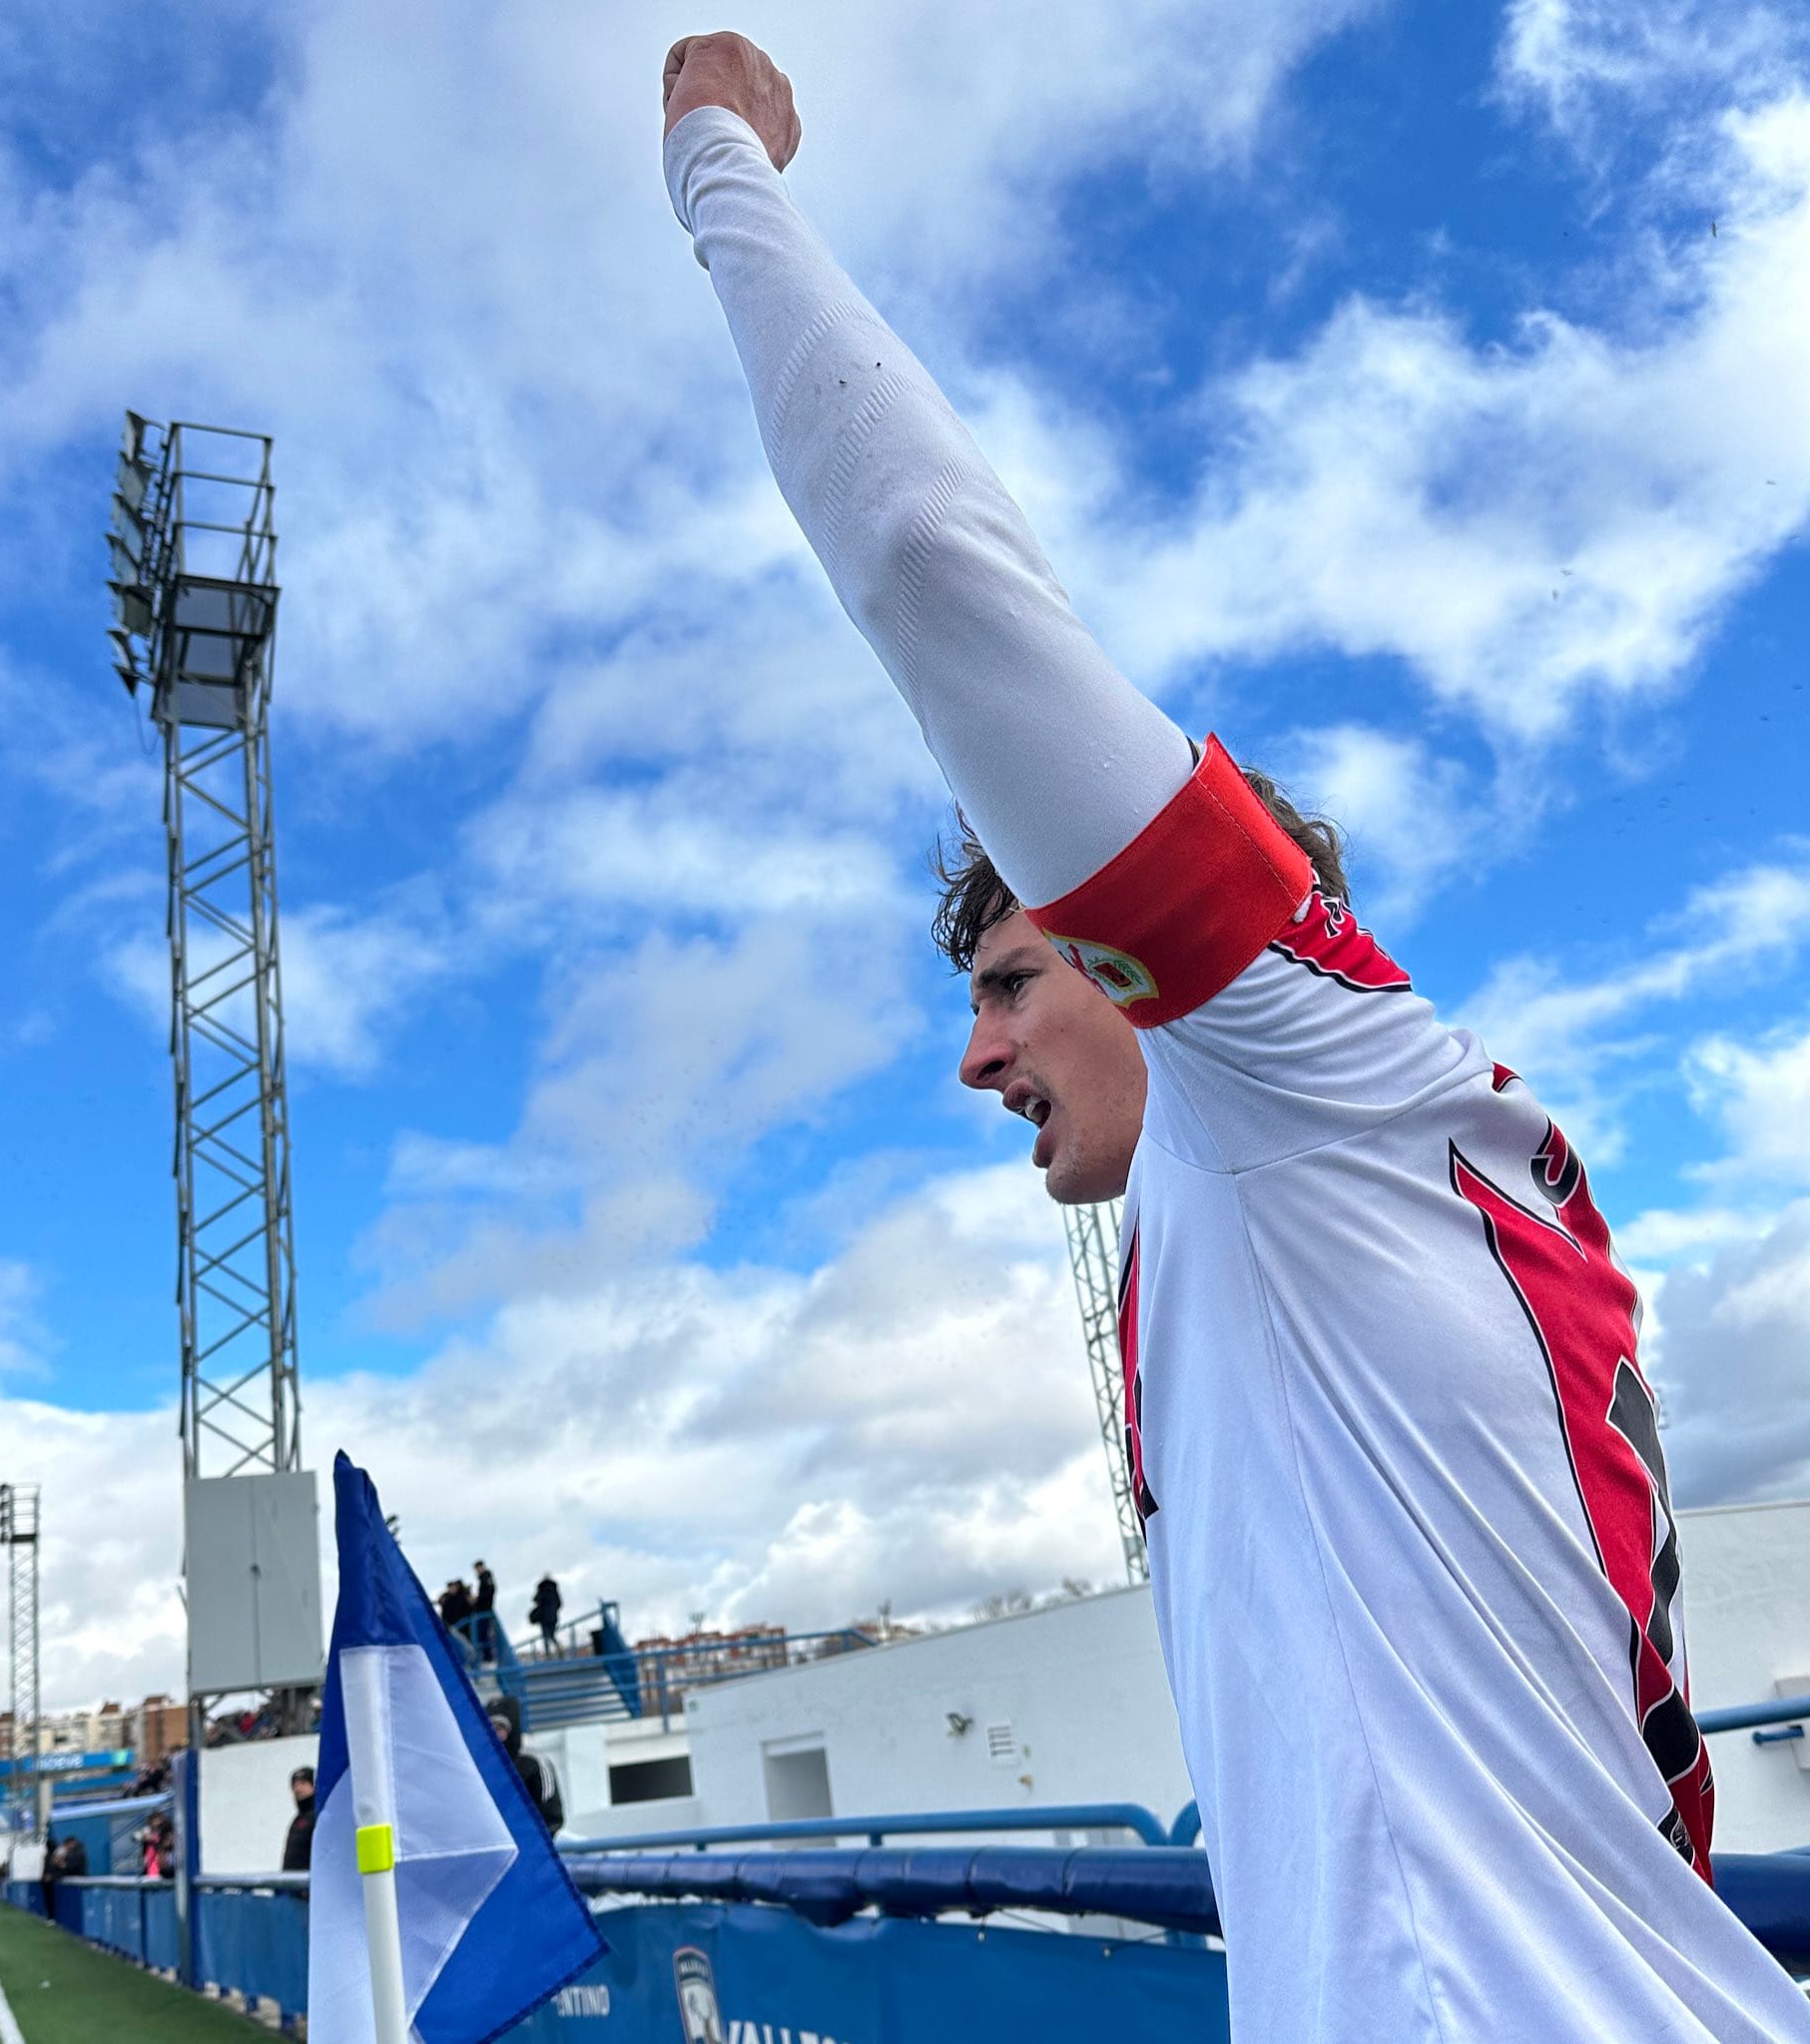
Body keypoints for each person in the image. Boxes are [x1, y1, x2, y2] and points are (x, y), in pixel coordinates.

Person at [658, 33, 1810, 2042]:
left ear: (1143, 968)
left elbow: (932, 564)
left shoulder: (1278, 1078)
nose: (974, 1055)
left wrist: (716, 168)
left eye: (1012, 979)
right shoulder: (1370, 1193)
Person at [486, 1696, 563, 1835]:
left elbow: (552, 1816)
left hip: (531, 1845)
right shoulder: (482, 1766)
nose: (495, 1734)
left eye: (500, 1727)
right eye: (490, 1727)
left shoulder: (534, 1762)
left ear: (513, 1728)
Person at [282, 1765, 316, 1872]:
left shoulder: (319, 1817)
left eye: (303, 1783)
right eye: (295, 1785)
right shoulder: (297, 1820)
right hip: (291, 1883)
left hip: (309, 1884)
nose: (298, 1789)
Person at [530, 1573, 563, 1658]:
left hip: (543, 1617)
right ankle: (558, 1647)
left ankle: (548, 1654)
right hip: (553, 1616)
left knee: (545, 1636)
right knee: (552, 1635)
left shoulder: (542, 1589)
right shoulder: (554, 1590)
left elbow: (536, 1600)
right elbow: (560, 1604)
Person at [471, 1560, 498, 1664]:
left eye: (478, 1568)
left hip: (484, 1611)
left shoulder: (486, 1578)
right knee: (483, 1635)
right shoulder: (484, 1578)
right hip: (483, 1611)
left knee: (485, 1635)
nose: (477, 1571)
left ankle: (488, 1658)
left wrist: (478, 1599)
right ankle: (487, 1657)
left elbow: (489, 1593)